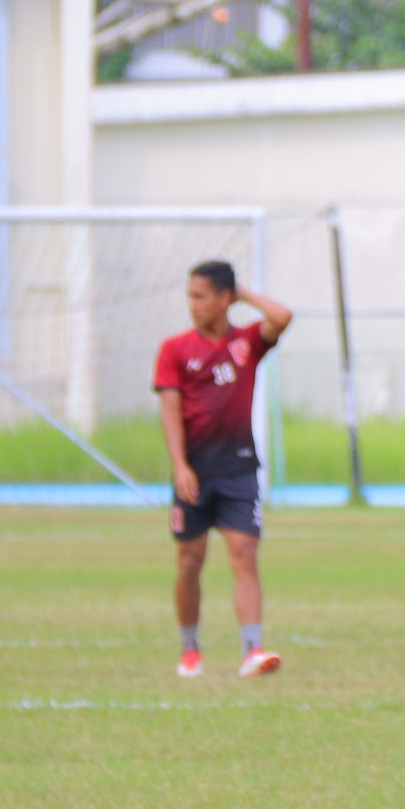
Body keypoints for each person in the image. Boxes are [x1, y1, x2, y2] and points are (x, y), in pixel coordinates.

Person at [153, 260, 293, 679]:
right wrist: (180, 466)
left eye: (201, 296)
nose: (193, 305)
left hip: (239, 470)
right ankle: (189, 649)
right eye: (190, 296)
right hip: (194, 472)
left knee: (244, 554)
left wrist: (242, 291)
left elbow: (282, 317)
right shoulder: (175, 349)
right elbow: (170, 411)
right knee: (190, 560)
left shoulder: (247, 343)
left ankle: (253, 651)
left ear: (223, 299)